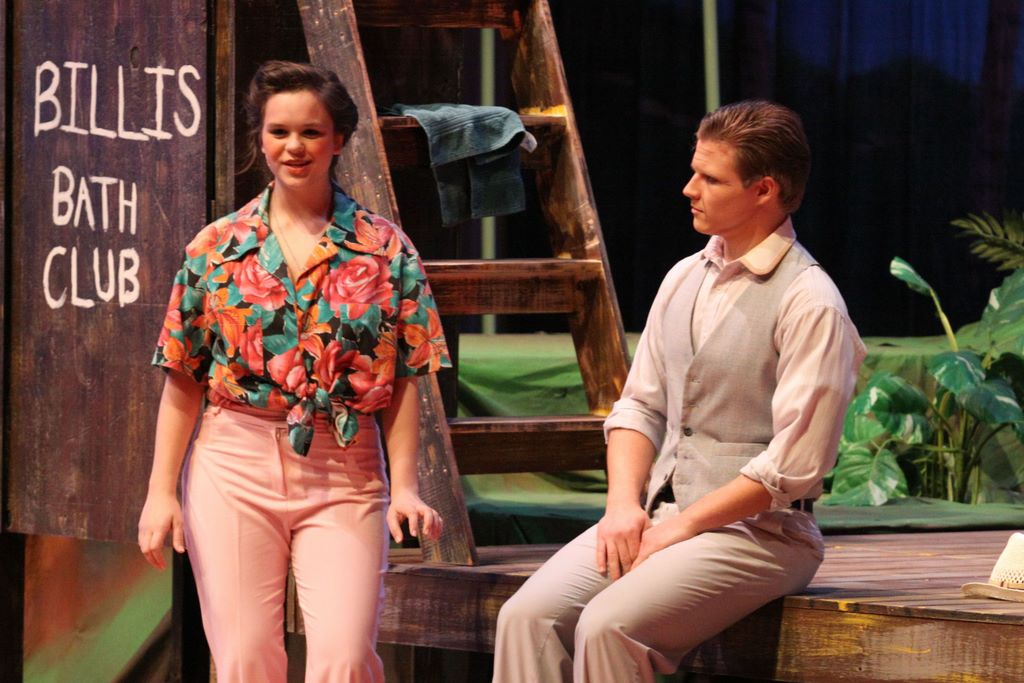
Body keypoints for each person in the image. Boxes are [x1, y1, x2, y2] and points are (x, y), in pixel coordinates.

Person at [493, 100, 866, 682]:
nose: (689, 189)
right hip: (658, 512)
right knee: (526, 617)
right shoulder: (685, 276)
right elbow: (640, 405)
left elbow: (793, 465)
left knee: (610, 625)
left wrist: (681, 528)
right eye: (695, 172)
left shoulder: (810, 302)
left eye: (710, 179)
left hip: (761, 536)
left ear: (764, 190)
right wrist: (623, 506)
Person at [137, 60, 449, 683]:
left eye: (311, 132)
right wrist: (159, 492)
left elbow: (405, 375)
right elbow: (183, 375)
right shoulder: (216, 246)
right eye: (279, 131)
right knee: (245, 659)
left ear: (339, 139)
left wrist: (408, 486)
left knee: (344, 657)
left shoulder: (385, 247)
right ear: (260, 138)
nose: (294, 146)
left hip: (345, 467)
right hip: (234, 464)